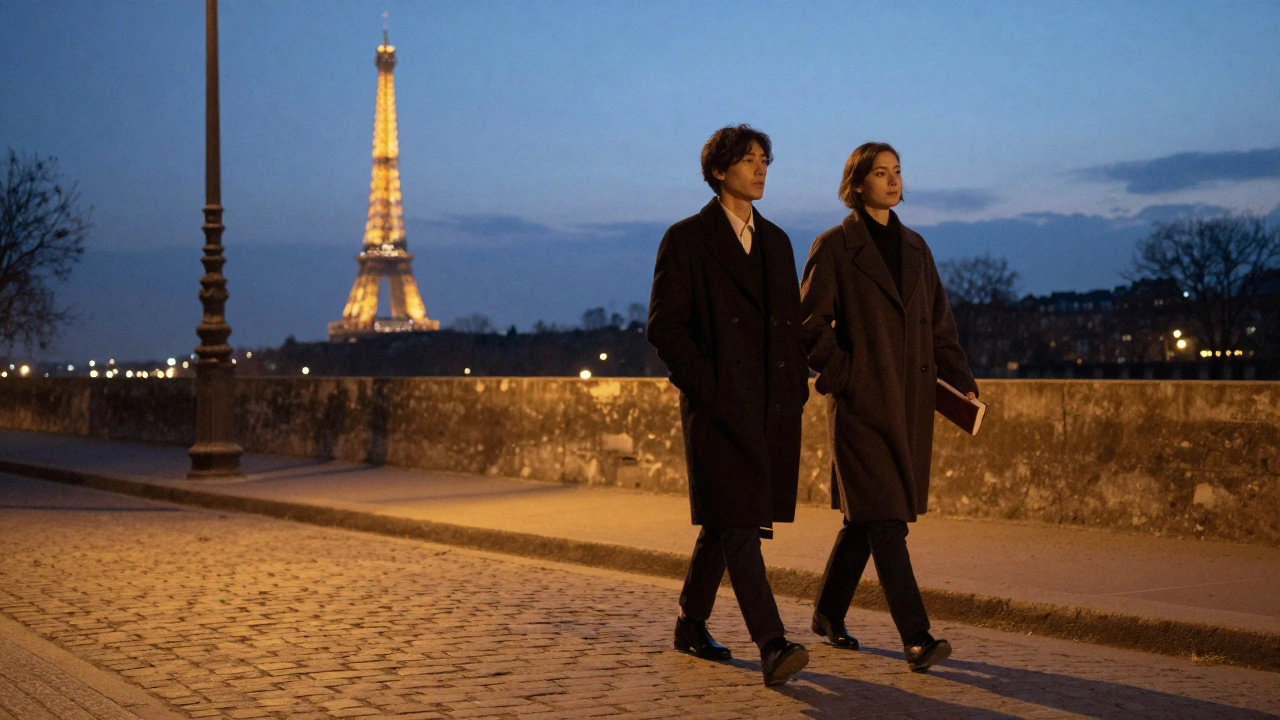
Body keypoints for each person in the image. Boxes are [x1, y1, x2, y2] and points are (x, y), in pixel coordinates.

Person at [799, 142, 978, 673]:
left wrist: (961, 382)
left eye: (897, 171)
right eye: (881, 173)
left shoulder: (916, 247)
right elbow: (808, 324)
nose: (893, 180)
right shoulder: (835, 246)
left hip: (910, 405)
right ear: (857, 184)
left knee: (868, 520)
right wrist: (845, 377)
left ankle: (828, 613)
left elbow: (940, 326)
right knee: (887, 522)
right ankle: (916, 637)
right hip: (861, 407)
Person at [647, 124, 812, 686]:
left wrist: (795, 389)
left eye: (765, 159)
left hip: (768, 409)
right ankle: (772, 643)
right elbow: (665, 327)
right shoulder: (686, 238)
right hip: (718, 411)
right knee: (739, 524)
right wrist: (708, 386)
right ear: (719, 171)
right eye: (748, 160)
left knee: (725, 522)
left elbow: (791, 329)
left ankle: (690, 623)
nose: (761, 168)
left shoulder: (778, 242)